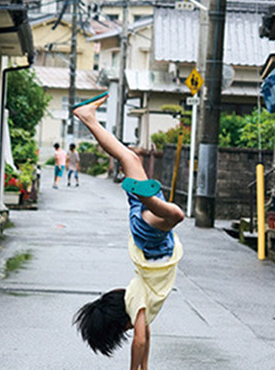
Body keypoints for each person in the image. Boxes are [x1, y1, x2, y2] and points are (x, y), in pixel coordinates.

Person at [71, 93, 185, 370]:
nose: (131, 330)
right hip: (141, 230)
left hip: (152, 240)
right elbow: (147, 341)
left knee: (175, 215)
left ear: (121, 325)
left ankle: (150, 199)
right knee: (128, 156)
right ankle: (87, 118)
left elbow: (140, 341)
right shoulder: (134, 295)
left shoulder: (136, 303)